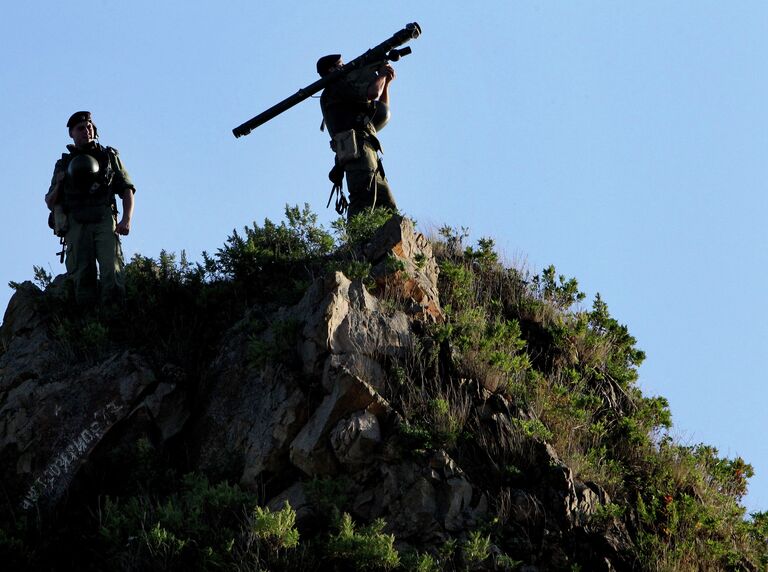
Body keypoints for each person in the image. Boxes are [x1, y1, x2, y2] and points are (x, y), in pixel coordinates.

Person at [45, 111, 136, 305]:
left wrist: (126, 219)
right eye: (81, 128)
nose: (86, 131)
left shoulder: (108, 156)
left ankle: (114, 321)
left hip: (103, 217)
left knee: (112, 271)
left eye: (89, 127)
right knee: (81, 277)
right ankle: (87, 327)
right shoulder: (63, 164)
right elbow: (50, 202)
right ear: (71, 133)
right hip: (76, 223)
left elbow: (127, 188)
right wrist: (60, 183)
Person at [317, 54, 397, 219]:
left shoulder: (343, 90)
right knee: (363, 198)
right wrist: (381, 75)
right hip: (358, 149)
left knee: (386, 205)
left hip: (367, 149)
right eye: (341, 64)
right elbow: (373, 93)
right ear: (332, 69)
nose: (345, 66)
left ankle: (388, 242)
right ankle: (357, 242)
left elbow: (380, 110)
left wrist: (386, 83)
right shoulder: (337, 87)